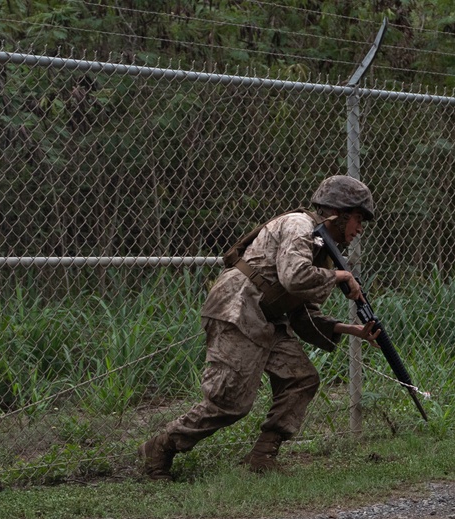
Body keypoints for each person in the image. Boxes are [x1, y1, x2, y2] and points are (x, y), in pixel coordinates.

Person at [138, 175, 381, 480]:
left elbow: (303, 313)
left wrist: (352, 330)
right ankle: (159, 448)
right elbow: (294, 277)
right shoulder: (299, 226)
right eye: (358, 219)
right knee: (229, 403)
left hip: (267, 318)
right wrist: (341, 277)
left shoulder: (321, 246)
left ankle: (262, 457)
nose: (359, 230)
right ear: (340, 212)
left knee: (301, 379)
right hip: (238, 309)